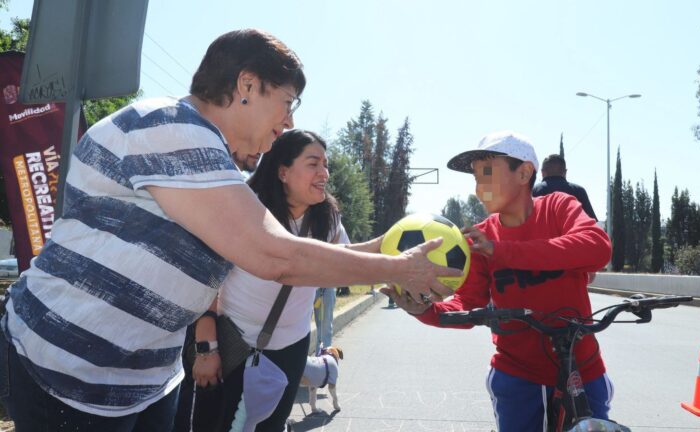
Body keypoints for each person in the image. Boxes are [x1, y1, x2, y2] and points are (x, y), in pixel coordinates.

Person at [0, 29, 457, 432]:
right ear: (246, 85)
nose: (289, 122)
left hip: (144, 381)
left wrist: (396, 264)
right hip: (69, 372)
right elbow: (276, 256)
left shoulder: (215, 165)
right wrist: (397, 268)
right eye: (286, 102)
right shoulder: (170, 126)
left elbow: (298, 253)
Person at [383, 131, 613, 432]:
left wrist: (502, 251)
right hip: (517, 376)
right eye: (476, 179)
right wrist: (423, 310)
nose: (480, 189)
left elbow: (597, 247)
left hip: (583, 370)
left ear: (525, 173)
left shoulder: (558, 207)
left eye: (488, 175)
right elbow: (468, 304)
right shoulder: (479, 239)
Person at [176, 129, 365, 432]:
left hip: (289, 350)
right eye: (313, 164)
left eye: (326, 165)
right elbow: (206, 274)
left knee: (269, 426)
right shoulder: (246, 208)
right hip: (230, 342)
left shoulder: (328, 219)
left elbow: (349, 261)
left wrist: (400, 265)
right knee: (210, 424)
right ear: (283, 172)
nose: (325, 173)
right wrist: (206, 347)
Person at [532, 154, 597, 221]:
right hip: (571, 231)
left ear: (542, 172)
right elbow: (591, 222)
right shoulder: (579, 191)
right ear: (565, 172)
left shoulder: (533, 191)